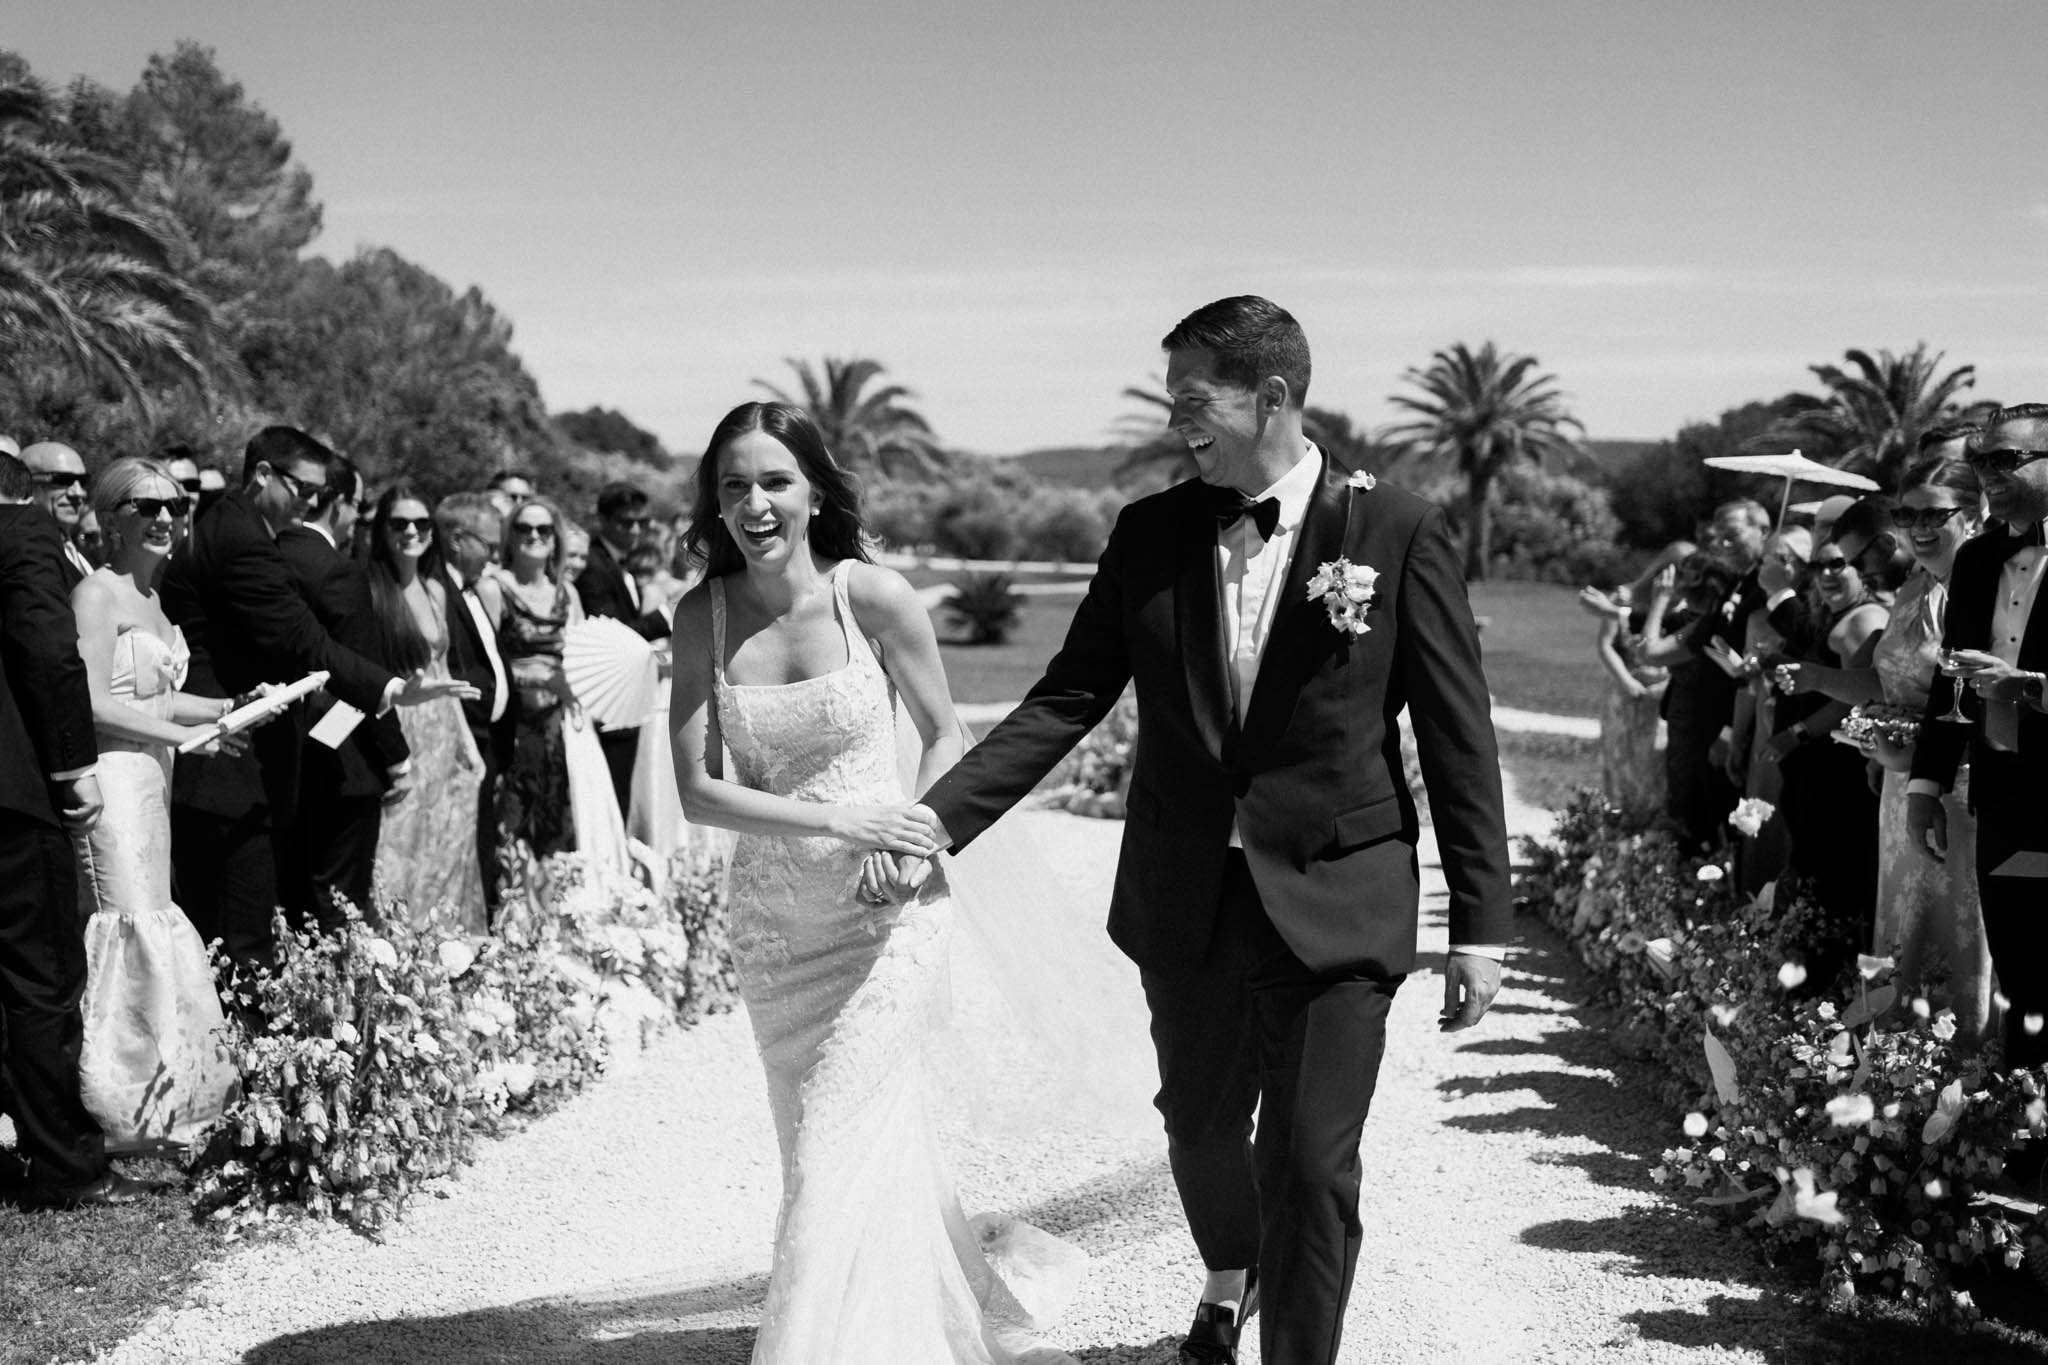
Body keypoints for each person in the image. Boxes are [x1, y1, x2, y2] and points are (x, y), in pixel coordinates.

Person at [911, 297, 1513, 1365]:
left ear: (1271, 397)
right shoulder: (1149, 532)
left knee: (1311, 1164)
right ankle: (1232, 1269)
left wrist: (1481, 924)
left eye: (1193, 400)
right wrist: (931, 823)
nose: (1173, 422)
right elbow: (1067, 697)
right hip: (1187, 894)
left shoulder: (1396, 531)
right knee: (1197, 1128)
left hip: (1338, 894)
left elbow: (1457, 734)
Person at [669, 401, 1083, 1364]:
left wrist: (916, 836)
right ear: (715, 504)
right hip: (776, 929)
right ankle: (918, 1307)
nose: (755, 504)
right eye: (734, 485)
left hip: (887, 915)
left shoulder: (877, 597)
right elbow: (697, 790)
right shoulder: (703, 615)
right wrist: (836, 819)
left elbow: (945, 732)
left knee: (832, 1153)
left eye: (775, 481)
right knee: (829, 1144)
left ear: (815, 492)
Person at [162, 427, 474, 976]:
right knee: (245, 949)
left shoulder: (247, 530)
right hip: (229, 769)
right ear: (262, 474)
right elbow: (304, 640)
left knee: (247, 937)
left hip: (244, 763)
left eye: (318, 492)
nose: (311, 502)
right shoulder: (243, 540)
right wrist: (391, 691)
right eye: (303, 489)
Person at [68, 457, 243, 1150]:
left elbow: (160, 697)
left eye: (174, 505)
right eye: (146, 506)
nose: (165, 517)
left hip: (154, 779)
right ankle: (119, 1105)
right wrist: (188, 738)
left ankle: (171, 1093)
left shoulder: (157, 601)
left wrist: (233, 706)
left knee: (154, 916)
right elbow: (90, 704)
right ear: (112, 519)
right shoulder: (96, 594)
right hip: (112, 782)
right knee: (127, 922)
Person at [0, 453, 142, 1206]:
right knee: (40, 977)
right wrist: (71, 769)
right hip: (14, 794)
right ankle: (64, 1163)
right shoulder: (20, 530)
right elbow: (49, 653)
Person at [1910, 404, 2048, 1071]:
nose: (1988, 472)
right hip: (2005, 799)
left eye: (2007, 459)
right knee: (2021, 968)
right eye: (1982, 460)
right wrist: (1925, 784)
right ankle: (2025, 1113)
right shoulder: (1974, 559)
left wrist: (2032, 687)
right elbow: (1950, 680)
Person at [275, 454, 412, 928]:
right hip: (341, 762)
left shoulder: (269, 554)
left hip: (280, 753)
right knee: (337, 904)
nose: (357, 518)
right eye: (357, 505)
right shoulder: (335, 570)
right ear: (337, 504)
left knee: (292, 899)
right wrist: (395, 757)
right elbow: (361, 674)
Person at [1769, 500, 1902, 959]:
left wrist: (1798, 731)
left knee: (1835, 879)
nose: (1826, 574)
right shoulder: (1835, 616)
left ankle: (1827, 975)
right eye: (1817, 566)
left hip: (1838, 774)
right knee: (1815, 873)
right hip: (1817, 771)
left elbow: (1860, 696)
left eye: (1839, 564)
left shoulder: (1864, 619)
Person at [364, 484, 487, 934]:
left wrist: (467, 744)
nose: (411, 531)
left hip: (443, 730)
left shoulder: (435, 589)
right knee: (397, 845)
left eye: (421, 523)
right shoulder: (370, 588)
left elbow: (443, 670)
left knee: (445, 845)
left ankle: (440, 949)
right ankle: (393, 947)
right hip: (399, 725)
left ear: (433, 532)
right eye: (400, 523)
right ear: (383, 530)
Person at [475, 497, 582, 863]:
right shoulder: (492, 589)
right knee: (510, 828)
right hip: (512, 728)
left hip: (559, 727)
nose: (533, 536)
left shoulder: (568, 593)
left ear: (555, 538)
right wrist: (540, 679)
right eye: (523, 528)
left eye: (543, 529)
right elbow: (483, 665)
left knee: (557, 829)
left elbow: (583, 657)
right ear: (509, 536)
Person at [435, 492, 514, 921]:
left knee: (483, 844)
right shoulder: (435, 590)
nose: (496, 556)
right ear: (457, 539)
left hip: (489, 741)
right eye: (489, 545)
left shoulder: (474, 589)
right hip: (460, 742)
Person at [578, 482, 667, 814]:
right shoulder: (592, 566)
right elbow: (612, 636)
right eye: (626, 522)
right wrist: (665, 616)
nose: (635, 530)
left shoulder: (618, 562)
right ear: (602, 520)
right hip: (606, 700)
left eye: (642, 523)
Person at [20, 441, 95, 588]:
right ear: (27, 485)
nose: (78, 493)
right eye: (63, 480)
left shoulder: (83, 551)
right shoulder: (22, 553)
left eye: (83, 481)